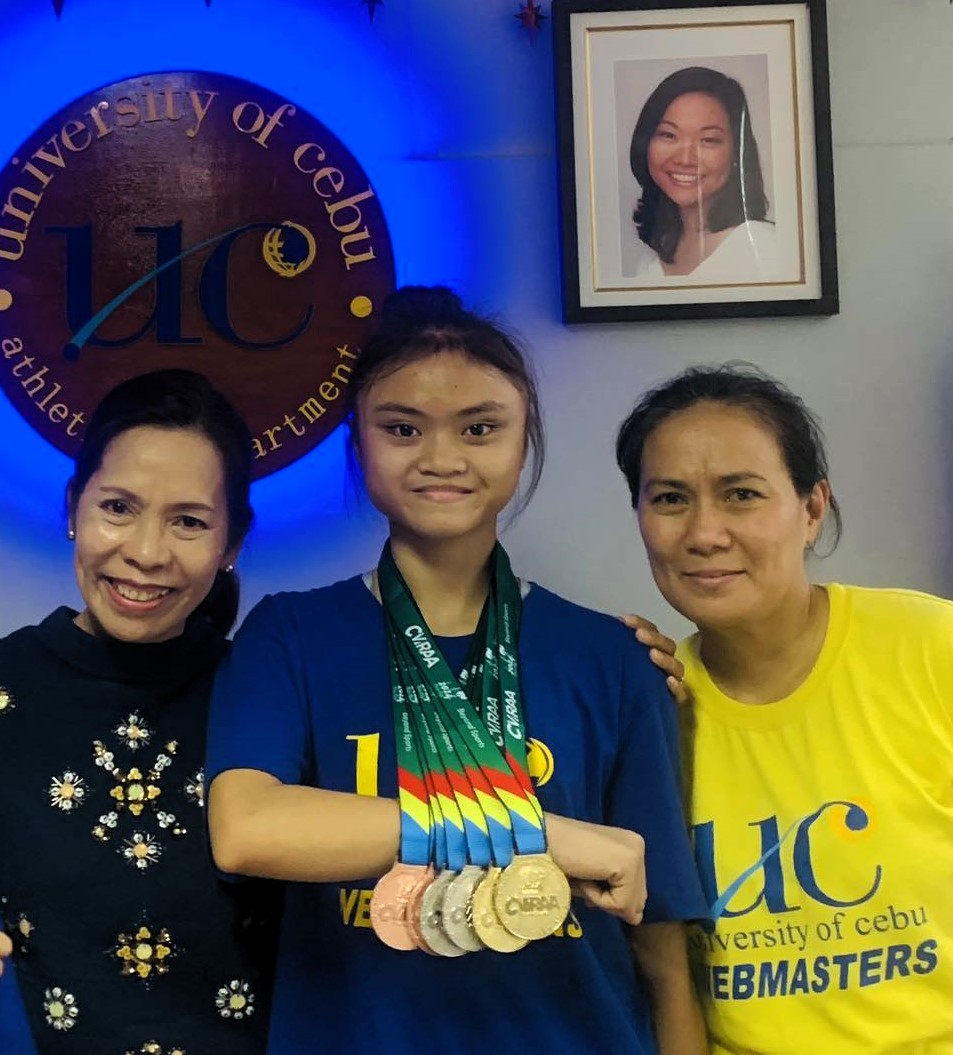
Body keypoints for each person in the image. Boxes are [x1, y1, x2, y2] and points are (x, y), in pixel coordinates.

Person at [206, 285, 709, 1055]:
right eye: (402, 428)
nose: (441, 458)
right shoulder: (291, 636)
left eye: (479, 427)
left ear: (522, 440)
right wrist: (538, 834)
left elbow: (663, 954)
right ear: (357, 442)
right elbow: (245, 829)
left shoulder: (610, 659)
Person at [615, 363, 953, 1055]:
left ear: (810, 508)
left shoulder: (929, 646)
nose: (704, 533)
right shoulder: (648, 706)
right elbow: (660, 969)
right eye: (670, 498)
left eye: (740, 494)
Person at [0, 369, 277, 1055]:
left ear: (232, 541)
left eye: (187, 521)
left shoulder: (273, 695)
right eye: (118, 507)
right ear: (73, 507)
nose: (146, 553)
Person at [628, 67, 779, 282]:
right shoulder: (650, 261)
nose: (685, 159)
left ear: (737, 153)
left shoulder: (766, 250)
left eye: (708, 140)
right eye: (668, 135)